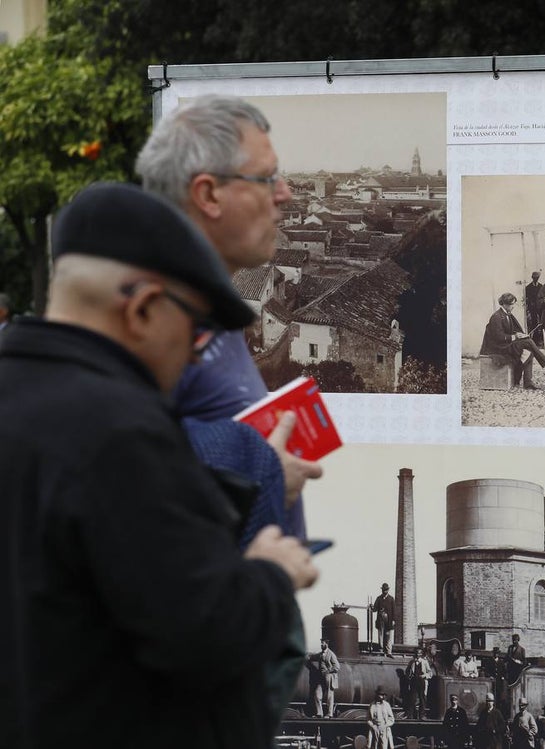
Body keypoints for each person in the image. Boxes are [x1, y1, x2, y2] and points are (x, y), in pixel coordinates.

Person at [0, 182, 317, 749]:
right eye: (197, 331)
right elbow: (205, 636)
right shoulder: (124, 430)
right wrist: (271, 572)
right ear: (144, 307)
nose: (197, 354)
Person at [137, 95, 322, 727]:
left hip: (236, 639)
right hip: (199, 664)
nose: (289, 194)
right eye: (268, 179)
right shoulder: (150, 317)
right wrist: (255, 464)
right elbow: (104, 462)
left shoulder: (208, 313)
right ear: (209, 194)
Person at [481, 292, 545, 389]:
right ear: (505, 304)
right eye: (512, 304)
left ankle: (528, 382)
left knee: (529, 350)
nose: (513, 306)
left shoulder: (507, 314)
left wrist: (520, 334)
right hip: (498, 347)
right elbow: (499, 337)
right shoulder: (496, 317)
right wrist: (516, 336)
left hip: (506, 344)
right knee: (528, 342)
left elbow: (513, 330)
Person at [310, 639, 341, 719]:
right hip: (321, 678)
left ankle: (330, 714)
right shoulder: (320, 654)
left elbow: (337, 666)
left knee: (329, 696)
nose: (321, 645)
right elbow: (313, 656)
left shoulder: (331, 654)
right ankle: (319, 713)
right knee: (317, 694)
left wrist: (328, 671)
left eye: (322, 643)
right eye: (321, 643)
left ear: (326, 644)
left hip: (329, 677)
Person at [406, 648, 433, 719]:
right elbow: (407, 671)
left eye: (419, 653)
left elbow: (430, 673)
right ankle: (411, 715)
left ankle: (422, 715)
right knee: (412, 698)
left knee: (422, 698)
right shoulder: (411, 662)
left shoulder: (425, 662)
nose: (418, 654)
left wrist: (424, 676)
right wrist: (409, 677)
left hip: (422, 681)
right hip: (414, 681)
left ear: (421, 654)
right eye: (416, 653)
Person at [372, 582, 396, 655]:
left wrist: (393, 620)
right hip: (380, 621)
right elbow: (375, 609)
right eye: (383, 590)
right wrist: (372, 607)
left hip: (389, 621)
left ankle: (388, 651)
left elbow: (394, 610)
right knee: (381, 635)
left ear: (387, 590)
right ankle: (381, 649)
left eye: (385, 590)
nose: (384, 591)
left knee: (388, 636)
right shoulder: (379, 599)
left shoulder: (391, 599)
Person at [524, 270, 544, 345]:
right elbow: (526, 298)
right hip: (532, 308)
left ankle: (541, 338)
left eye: (537, 277)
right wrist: (530, 304)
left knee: (542, 322)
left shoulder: (541, 286)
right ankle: (535, 339)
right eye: (534, 277)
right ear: (532, 277)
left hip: (540, 308)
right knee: (534, 322)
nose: (536, 278)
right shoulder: (528, 287)